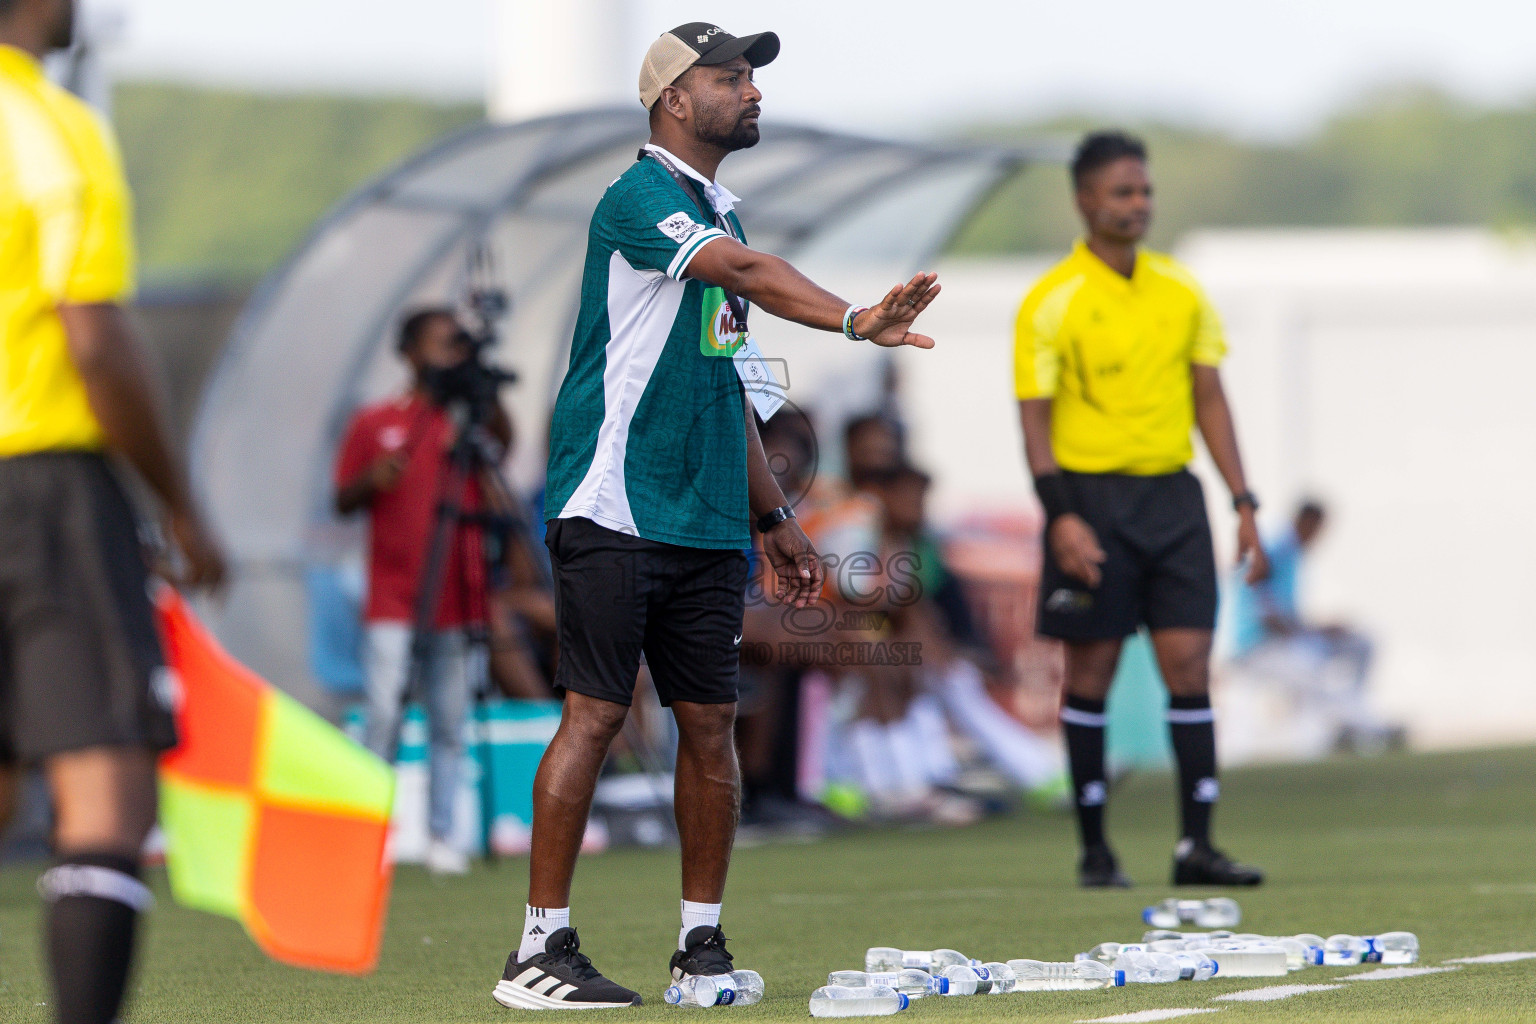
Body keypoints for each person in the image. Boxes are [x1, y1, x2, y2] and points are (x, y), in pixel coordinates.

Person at [494, 21, 940, 1010]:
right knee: (597, 714)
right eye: (728, 76)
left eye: (751, 76)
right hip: (612, 504)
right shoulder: (640, 196)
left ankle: (700, 948)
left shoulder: (718, 207)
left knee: (711, 724)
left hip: (703, 518)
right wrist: (859, 319)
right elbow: (742, 277)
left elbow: (725, 378)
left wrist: (775, 518)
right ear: (671, 97)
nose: (750, 90)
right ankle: (537, 949)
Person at [0, 1, 227, 1020]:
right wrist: (179, 507)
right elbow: (93, 337)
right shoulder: (47, 126)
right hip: (37, 481)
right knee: (105, 792)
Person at [1014, 131, 1269, 889]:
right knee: (1089, 671)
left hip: (1174, 498)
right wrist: (1060, 516)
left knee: (1188, 666)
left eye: (1145, 192)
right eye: (1123, 192)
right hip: (1090, 503)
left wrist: (1243, 501)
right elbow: (1033, 421)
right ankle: (1095, 850)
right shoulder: (1050, 300)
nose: (1138, 205)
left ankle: (1198, 848)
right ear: (1085, 200)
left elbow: (1210, 398)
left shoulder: (1181, 289)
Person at [333, 306, 511, 875]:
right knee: (384, 714)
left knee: (449, 721)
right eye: (439, 344)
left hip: (457, 595)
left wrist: (482, 391)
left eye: (455, 344)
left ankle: (441, 836)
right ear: (409, 353)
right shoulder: (376, 420)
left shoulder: (464, 422)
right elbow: (342, 499)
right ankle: (369, 836)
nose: (448, 355)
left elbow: (504, 446)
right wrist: (371, 478)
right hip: (393, 594)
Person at [1229, 500, 1394, 750]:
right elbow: (1269, 618)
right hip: (1257, 648)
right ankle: (1350, 729)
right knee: (1308, 664)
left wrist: (1318, 630)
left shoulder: (1293, 554)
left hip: (1286, 641)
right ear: (1306, 522)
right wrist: (1308, 634)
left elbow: (1288, 617)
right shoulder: (1274, 550)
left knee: (1361, 644)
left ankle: (1358, 717)